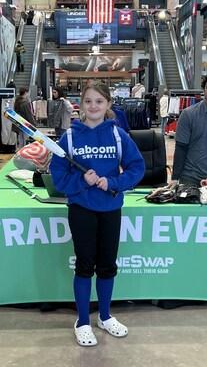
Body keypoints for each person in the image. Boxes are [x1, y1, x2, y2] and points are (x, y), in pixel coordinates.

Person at [50, 82, 145, 347]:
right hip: (81, 209)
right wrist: (83, 181)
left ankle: (104, 316)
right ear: (81, 104)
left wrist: (113, 183)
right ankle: (82, 321)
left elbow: (136, 168)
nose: (93, 106)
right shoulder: (68, 137)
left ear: (108, 105)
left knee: (107, 266)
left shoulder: (118, 135)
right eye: (88, 101)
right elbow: (58, 177)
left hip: (111, 209)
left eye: (99, 102)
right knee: (84, 265)